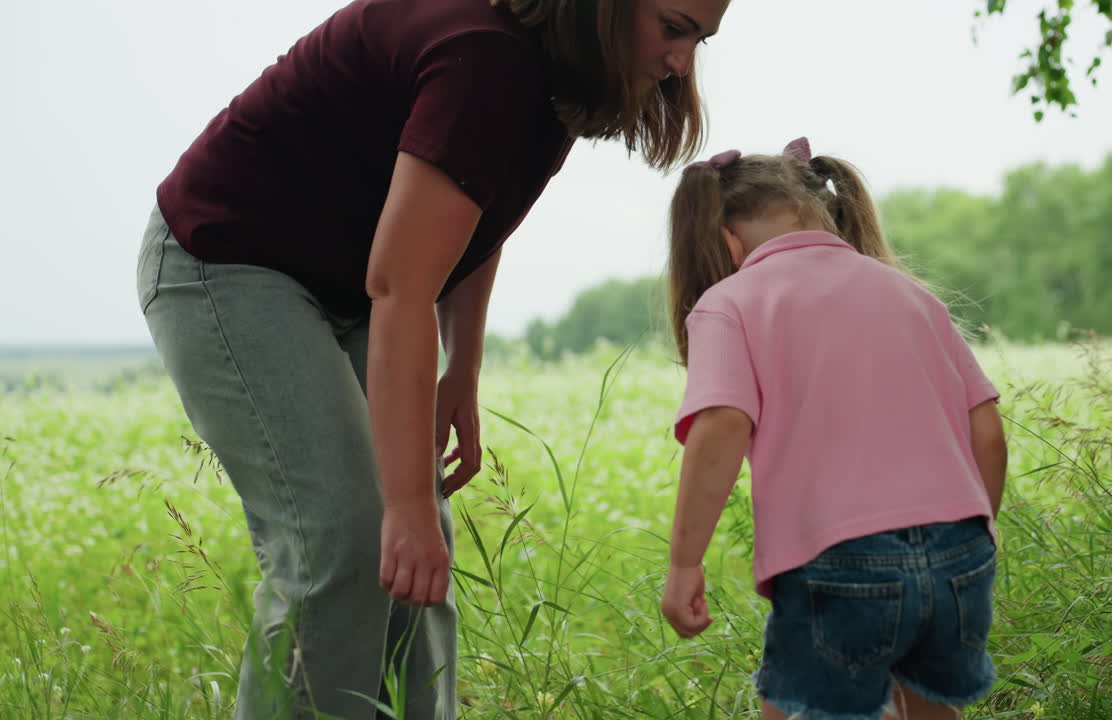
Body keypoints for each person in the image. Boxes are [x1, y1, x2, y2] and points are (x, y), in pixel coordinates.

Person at [134, 0, 729, 717]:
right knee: (347, 537)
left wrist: (463, 369)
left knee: (419, 547)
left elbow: (478, 214)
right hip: (230, 260)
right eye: (674, 29)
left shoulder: (558, 71)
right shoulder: (485, 55)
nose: (681, 63)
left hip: (349, 284)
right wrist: (407, 498)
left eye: (701, 39)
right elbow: (401, 284)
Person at [659, 138, 1008, 720]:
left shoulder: (729, 302)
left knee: (801, 706)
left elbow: (721, 425)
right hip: (959, 554)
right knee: (929, 708)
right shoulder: (909, 295)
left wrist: (683, 564)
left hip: (839, 558)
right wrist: (978, 532)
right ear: (827, 213)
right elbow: (988, 431)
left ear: (726, 240)